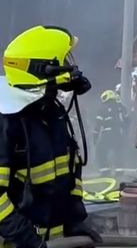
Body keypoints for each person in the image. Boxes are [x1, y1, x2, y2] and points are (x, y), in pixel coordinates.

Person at [0, 25, 102, 247]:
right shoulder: (7, 122)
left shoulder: (52, 113)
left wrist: (75, 220)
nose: (70, 67)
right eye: (63, 60)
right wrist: (26, 239)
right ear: (42, 69)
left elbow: (70, 171)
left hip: (52, 241)